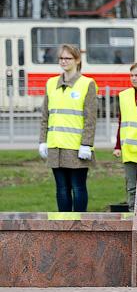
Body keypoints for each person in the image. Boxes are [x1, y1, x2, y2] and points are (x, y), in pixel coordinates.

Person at [38, 44, 97, 212]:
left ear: (77, 60)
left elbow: (90, 118)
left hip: (76, 147)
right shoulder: (51, 83)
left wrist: (86, 144)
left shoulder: (87, 84)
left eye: (68, 58)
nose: (63, 61)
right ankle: (63, 226)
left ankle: (79, 226)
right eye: (61, 58)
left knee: (78, 187)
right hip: (56, 146)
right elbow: (45, 116)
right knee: (61, 188)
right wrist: (42, 141)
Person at [112, 62, 137, 210]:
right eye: (131, 75)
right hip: (129, 151)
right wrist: (118, 146)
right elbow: (121, 122)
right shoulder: (124, 96)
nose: (133, 78)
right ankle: (132, 216)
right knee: (132, 188)